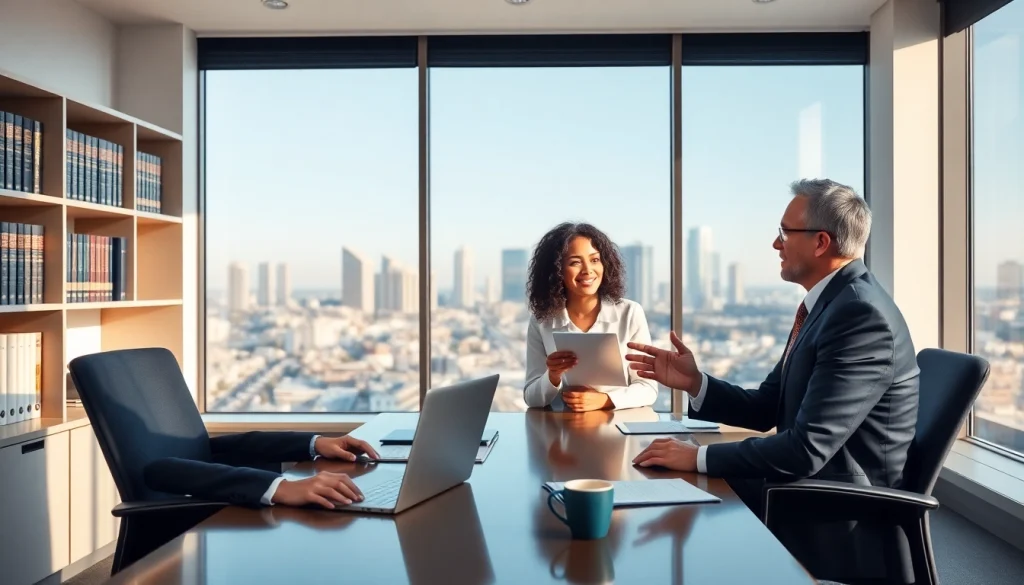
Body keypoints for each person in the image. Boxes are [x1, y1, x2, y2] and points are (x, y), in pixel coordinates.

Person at [626, 179, 920, 517]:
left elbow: (806, 449)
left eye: (784, 233)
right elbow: (768, 407)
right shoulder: (831, 305)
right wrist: (696, 383)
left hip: (841, 509)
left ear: (821, 242)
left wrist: (696, 457)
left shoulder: (858, 315)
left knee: (670, 507)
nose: (774, 244)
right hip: (804, 486)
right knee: (663, 495)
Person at [523, 222, 658, 411]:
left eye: (595, 260)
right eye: (575, 262)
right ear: (556, 270)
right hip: (559, 430)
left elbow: (648, 388)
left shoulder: (630, 313)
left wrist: (605, 400)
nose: (588, 270)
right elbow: (532, 398)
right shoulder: (542, 321)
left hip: (617, 428)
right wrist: (552, 376)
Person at [144, 431, 381, 510]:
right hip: (194, 532)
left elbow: (212, 446)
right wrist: (282, 487)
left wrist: (314, 443)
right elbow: (158, 470)